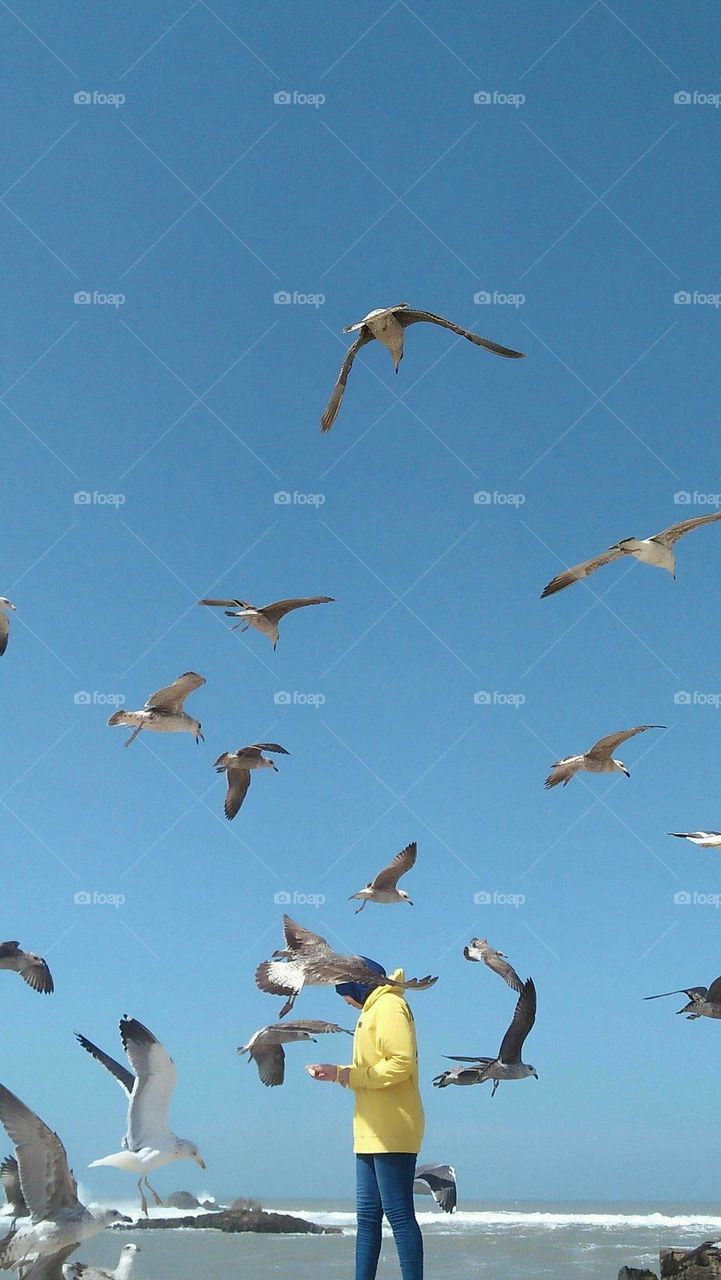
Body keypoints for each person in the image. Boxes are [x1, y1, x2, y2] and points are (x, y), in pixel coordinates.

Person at [308, 957, 424, 1280]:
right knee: (368, 1218)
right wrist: (338, 1074)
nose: (349, 1005)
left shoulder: (388, 1007)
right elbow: (365, 1072)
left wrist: (352, 1076)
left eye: (347, 998)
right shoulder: (372, 1010)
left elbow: (401, 1063)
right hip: (369, 1127)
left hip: (393, 1126)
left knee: (399, 1215)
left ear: (357, 985)